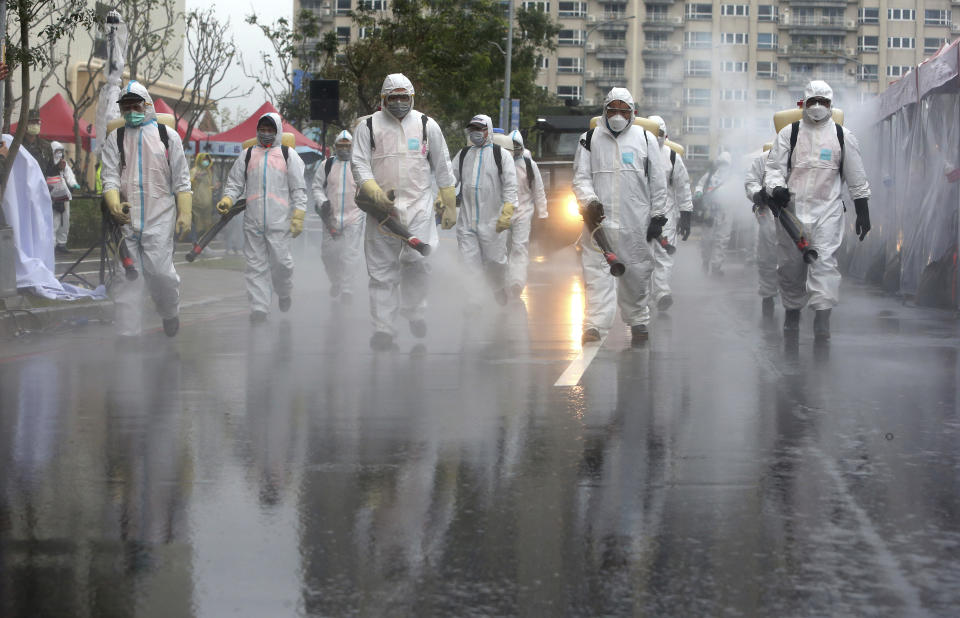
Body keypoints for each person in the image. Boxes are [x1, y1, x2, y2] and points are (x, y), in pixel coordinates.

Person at [351, 73, 457, 350]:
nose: (398, 103)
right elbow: (359, 163)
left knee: (417, 262)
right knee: (381, 271)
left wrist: (448, 199)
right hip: (380, 208)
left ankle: (415, 311)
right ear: (383, 99)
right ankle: (384, 330)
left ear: (412, 98)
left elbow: (443, 164)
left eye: (403, 97)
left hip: (418, 207)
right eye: (393, 97)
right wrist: (372, 190)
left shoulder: (426, 125)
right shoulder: (368, 127)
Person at [764, 80, 871, 340]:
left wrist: (863, 210)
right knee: (790, 267)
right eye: (812, 101)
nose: (817, 107)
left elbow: (856, 177)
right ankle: (792, 314)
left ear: (831, 105)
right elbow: (774, 169)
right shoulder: (789, 134)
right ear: (803, 103)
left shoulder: (842, 136)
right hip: (792, 212)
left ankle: (822, 320)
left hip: (828, 212)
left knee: (824, 265)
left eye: (823, 102)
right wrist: (776, 188)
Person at [573, 87, 668, 347]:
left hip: (635, 222)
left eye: (623, 110)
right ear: (604, 110)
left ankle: (638, 320)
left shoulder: (646, 140)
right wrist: (589, 202)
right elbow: (581, 178)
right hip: (598, 225)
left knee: (637, 273)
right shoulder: (589, 139)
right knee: (596, 275)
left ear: (632, 113)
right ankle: (594, 324)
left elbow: (658, 182)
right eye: (612, 109)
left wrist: (658, 216)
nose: (617, 115)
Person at [101, 81, 192, 339]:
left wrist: (185, 213)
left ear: (147, 105)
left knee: (161, 274)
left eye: (135, 105)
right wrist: (113, 204)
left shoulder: (167, 137)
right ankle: (127, 336)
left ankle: (169, 311)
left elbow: (182, 180)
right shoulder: (115, 138)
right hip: (127, 220)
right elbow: (109, 177)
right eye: (126, 106)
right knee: (127, 277)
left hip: (160, 218)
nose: (131, 111)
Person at [218, 112, 307, 323]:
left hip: (280, 222)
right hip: (253, 221)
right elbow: (235, 183)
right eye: (262, 130)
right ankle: (259, 307)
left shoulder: (288, 155)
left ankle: (284, 292)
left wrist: (298, 215)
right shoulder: (248, 155)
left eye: (270, 130)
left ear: (277, 131)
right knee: (255, 266)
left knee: (282, 265)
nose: (266, 134)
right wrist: (228, 199)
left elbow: (299, 189)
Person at [452, 114, 518, 307]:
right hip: (467, 222)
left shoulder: (501, 155)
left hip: (493, 221)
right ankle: (475, 302)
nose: (476, 133)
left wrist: (507, 209)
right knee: (468, 263)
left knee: (496, 262)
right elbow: (450, 179)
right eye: (472, 129)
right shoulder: (464, 154)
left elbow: (510, 186)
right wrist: (443, 198)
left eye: (479, 129)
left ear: (488, 130)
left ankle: (498, 287)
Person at [646, 115, 692, 311]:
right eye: (653, 133)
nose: (657, 137)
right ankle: (645, 298)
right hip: (639, 213)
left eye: (660, 134)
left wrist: (686, 215)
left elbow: (683, 187)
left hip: (666, 215)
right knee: (644, 257)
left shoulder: (673, 157)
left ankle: (662, 292)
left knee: (664, 255)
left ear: (667, 136)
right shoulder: (635, 153)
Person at [313, 129, 363, 303]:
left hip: (354, 216)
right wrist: (322, 201)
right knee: (328, 254)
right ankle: (336, 281)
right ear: (335, 147)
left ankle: (347, 289)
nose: (344, 149)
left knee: (350, 254)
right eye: (340, 146)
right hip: (331, 218)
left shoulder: (359, 165)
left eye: (347, 146)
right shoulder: (326, 165)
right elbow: (317, 187)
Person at [503, 129, 547, 299]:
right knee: (502, 249)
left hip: (523, 213)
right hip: (503, 213)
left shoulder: (529, 165)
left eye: (516, 146)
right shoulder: (501, 162)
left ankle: (517, 282)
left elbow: (539, 190)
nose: (514, 149)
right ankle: (503, 280)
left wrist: (543, 213)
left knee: (519, 248)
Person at [744, 146, 778, 318]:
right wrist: (757, 195)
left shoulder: (807, 154)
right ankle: (768, 296)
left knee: (796, 262)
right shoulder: (764, 159)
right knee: (767, 257)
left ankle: (794, 306)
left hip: (798, 216)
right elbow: (751, 182)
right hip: (769, 215)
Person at [695, 150, 733, 276]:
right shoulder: (710, 176)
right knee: (706, 239)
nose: (723, 166)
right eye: (721, 163)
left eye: (725, 164)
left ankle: (717, 266)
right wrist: (699, 193)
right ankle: (705, 262)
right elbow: (700, 185)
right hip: (709, 211)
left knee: (722, 240)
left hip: (726, 213)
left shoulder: (733, 178)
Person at [49, 141, 80, 254]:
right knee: (54, 221)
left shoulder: (64, 164)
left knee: (65, 221)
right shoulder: (49, 164)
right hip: (52, 197)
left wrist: (73, 183)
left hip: (64, 196)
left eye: (60, 151)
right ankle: (51, 245)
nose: (59, 154)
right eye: (57, 151)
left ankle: (61, 243)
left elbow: (69, 175)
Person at [189, 152, 216, 241]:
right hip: (197, 203)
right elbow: (189, 184)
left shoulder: (208, 172)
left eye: (207, 160)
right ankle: (196, 243)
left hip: (207, 203)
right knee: (198, 225)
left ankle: (203, 244)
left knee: (207, 224)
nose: (206, 162)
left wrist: (213, 187)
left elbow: (207, 186)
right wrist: (195, 178)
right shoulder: (194, 171)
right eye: (204, 159)